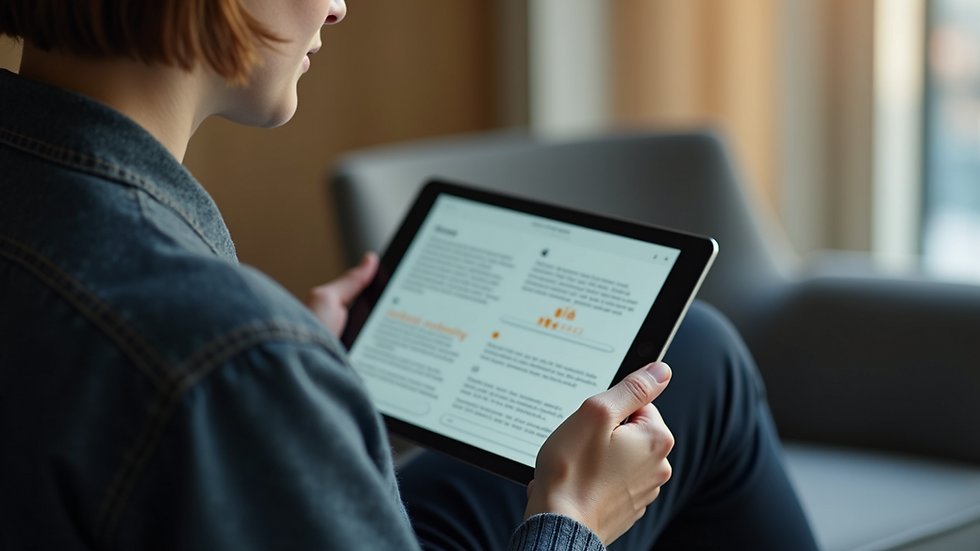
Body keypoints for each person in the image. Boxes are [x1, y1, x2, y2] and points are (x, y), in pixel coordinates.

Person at [0, 1, 818, 549]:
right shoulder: (229, 357)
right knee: (697, 368)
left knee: (697, 348)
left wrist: (288, 377)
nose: (339, 5)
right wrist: (572, 518)